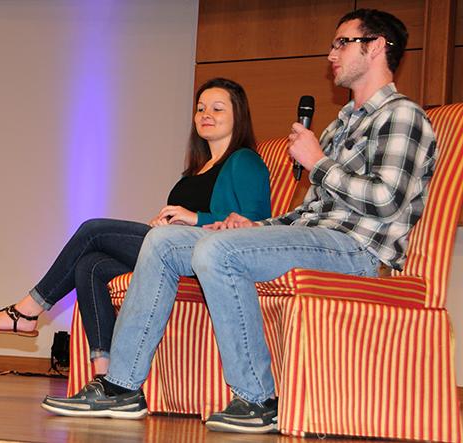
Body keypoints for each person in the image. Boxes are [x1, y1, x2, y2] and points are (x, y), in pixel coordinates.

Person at [41, 8, 437, 434]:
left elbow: (386, 200)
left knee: (216, 251)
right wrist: (257, 227)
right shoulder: (341, 125)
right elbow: (310, 212)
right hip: (318, 237)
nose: (331, 53)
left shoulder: (402, 116)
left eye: (342, 42)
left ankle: (257, 397)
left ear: (376, 46)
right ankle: (122, 387)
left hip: (360, 252)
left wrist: (318, 163)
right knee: (166, 240)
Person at [0, 78, 272, 375]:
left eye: (217, 108)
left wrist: (196, 218)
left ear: (238, 116)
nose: (206, 114)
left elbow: (254, 224)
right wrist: (166, 223)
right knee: (90, 265)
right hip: (171, 248)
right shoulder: (195, 171)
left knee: (94, 229)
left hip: (203, 256)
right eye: (200, 108)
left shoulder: (244, 161)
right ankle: (105, 374)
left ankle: (28, 311)